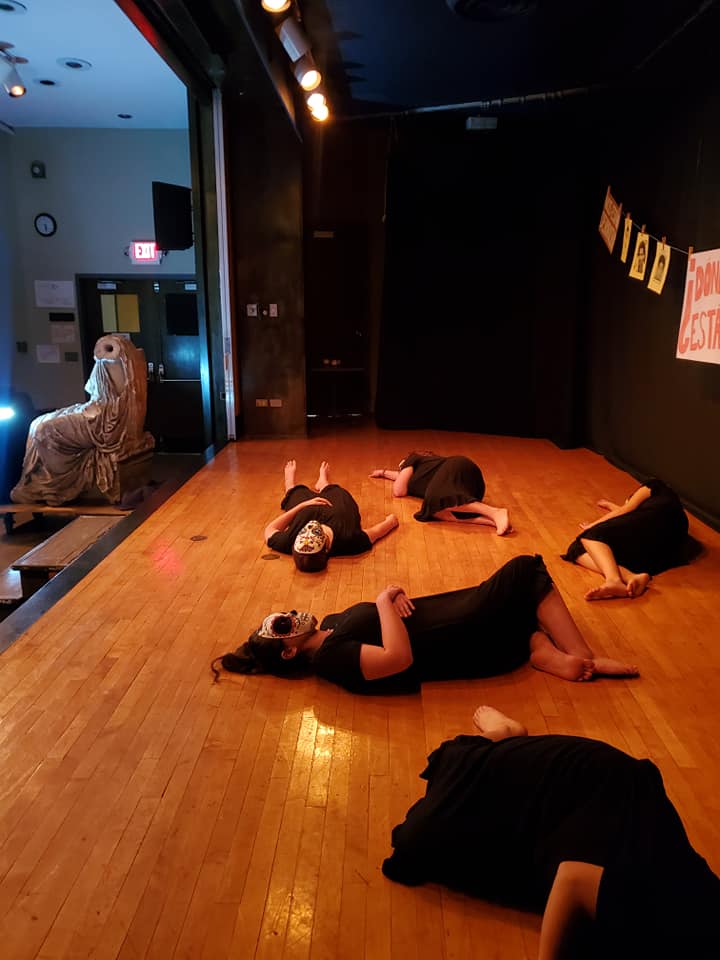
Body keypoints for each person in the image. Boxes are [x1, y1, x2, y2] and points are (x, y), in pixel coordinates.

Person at [382, 705, 720, 959]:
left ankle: (501, 737)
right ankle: (503, 733)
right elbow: (573, 879)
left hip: (594, 798)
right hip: (580, 781)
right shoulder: (685, 919)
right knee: (414, 845)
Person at [212, 554, 638, 691]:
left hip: (455, 618)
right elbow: (396, 658)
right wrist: (383, 598)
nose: (291, 616)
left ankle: (537, 650)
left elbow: (385, 623)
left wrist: (393, 600)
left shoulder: (330, 626)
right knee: (526, 570)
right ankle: (583, 656)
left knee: (526, 612)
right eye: (284, 627)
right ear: (289, 651)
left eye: (282, 616)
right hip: (453, 632)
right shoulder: (330, 659)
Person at [562, 478, 691, 600]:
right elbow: (629, 511)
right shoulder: (660, 504)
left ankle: (613, 580)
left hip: (661, 522)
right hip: (671, 543)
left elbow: (626, 509)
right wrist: (609, 505)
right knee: (576, 550)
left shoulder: (655, 485)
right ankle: (631, 577)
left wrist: (591, 526)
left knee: (589, 538)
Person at [265, 460, 398, 572]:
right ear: (327, 548)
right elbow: (376, 532)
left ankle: (290, 485)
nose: (310, 528)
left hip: (306, 510)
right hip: (338, 508)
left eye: (304, 532)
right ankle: (324, 484)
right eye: (317, 533)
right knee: (338, 492)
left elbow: (270, 529)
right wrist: (391, 521)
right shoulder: (349, 540)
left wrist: (302, 506)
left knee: (294, 497)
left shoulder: (291, 542)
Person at [370, 450, 511, 534]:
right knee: (434, 510)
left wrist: (405, 464)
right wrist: (383, 473)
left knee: (434, 499)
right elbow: (402, 479)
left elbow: (399, 490)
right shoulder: (420, 475)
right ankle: (491, 521)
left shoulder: (413, 458)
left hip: (459, 466)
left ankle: (495, 512)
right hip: (471, 485)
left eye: (401, 465)